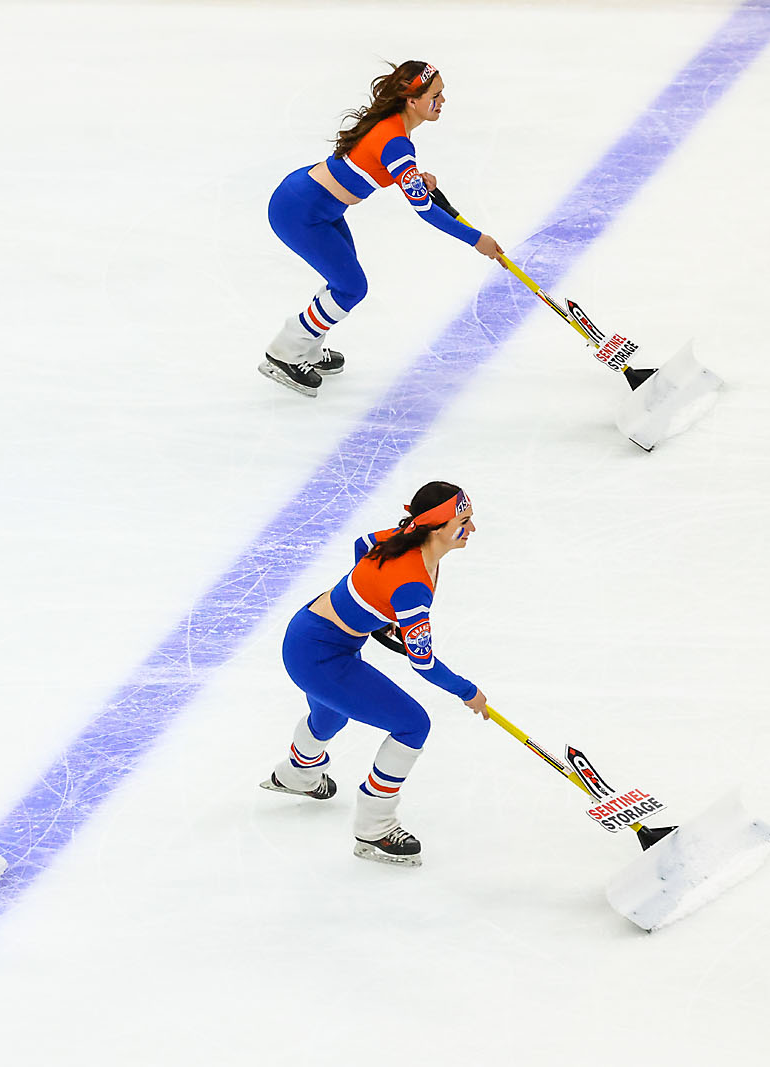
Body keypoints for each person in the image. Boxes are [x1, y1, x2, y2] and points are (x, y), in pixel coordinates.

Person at [260, 481, 488, 865]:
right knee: (413, 725)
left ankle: (298, 775)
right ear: (436, 526)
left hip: (310, 635)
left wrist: (371, 607)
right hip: (320, 656)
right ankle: (375, 830)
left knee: (331, 713)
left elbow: (363, 543)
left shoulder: (403, 536)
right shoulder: (411, 586)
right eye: (463, 521)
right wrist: (468, 691)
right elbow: (425, 664)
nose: (473, 529)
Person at [260, 61, 506, 396]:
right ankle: (284, 351)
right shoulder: (397, 143)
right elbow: (426, 211)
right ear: (412, 101)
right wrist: (478, 240)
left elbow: (374, 164)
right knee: (351, 288)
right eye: (436, 94)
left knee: (342, 282)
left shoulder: (394, 131)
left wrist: (415, 179)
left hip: (316, 203)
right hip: (301, 212)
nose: (443, 101)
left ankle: (308, 349)